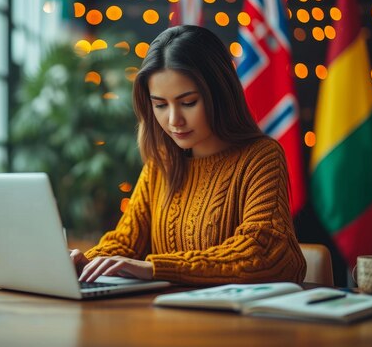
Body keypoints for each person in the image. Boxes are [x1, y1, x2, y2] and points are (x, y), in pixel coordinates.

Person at [70, 25, 307, 285]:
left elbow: (265, 254)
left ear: (219, 94)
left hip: (233, 321)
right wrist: (87, 262)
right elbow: (125, 242)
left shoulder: (261, 158)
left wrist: (154, 268)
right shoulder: (162, 162)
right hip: (161, 316)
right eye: (160, 105)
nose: (174, 120)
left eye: (188, 102)